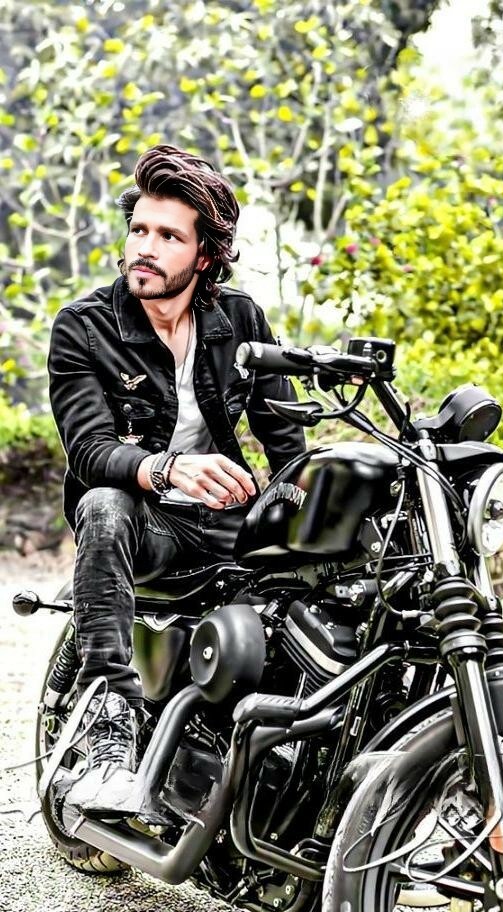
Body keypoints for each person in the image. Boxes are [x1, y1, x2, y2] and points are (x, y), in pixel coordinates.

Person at [47, 144, 305, 813]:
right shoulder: (84, 327)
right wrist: (166, 469)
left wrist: (294, 502)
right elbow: (89, 451)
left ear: (205, 256)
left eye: (168, 236)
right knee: (104, 503)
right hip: (146, 522)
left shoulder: (240, 320)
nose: (146, 247)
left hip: (223, 525)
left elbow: (286, 441)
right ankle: (108, 725)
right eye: (139, 230)